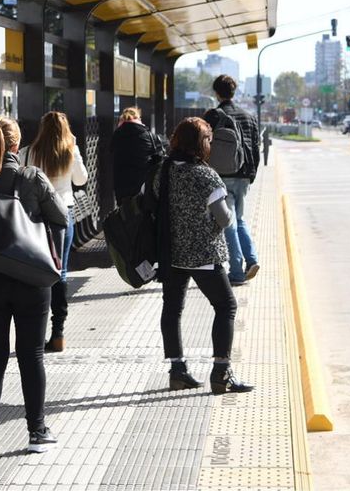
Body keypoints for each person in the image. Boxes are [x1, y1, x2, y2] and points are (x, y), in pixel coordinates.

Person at [0, 117, 68, 455]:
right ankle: (37, 431)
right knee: (31, 354)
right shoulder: (32, 177)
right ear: (16, 146)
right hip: (30, 277)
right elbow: (61, 217)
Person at [152, 117, 253, 395]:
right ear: (201, 143)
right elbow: (223, 218)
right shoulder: (205, 175)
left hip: (171, 252)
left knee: (172, 309)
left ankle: (178, 370)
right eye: (208, 140)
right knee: (226, 306)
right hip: (204, 253)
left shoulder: (165, 170)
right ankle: (221, 372)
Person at [18, 112, 88, 353]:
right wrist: (75, 148)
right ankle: (57, 333)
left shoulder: (28, 152)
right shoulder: (70, 151)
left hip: (34, 217)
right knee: (61, 272)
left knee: (36, 272)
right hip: (63, 216)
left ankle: (34, 333)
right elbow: (81, 180)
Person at [203, 75, 261, 286]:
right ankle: (252, 259)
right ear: (234, 92)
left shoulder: (213, 115)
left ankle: (236, 271)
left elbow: (204, 146)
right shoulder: (248, 116)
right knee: (240, 218)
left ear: (216, 93)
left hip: (220, 176)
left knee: (228, 223)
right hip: (244, 175)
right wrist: (251, 174)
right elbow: (255, 147)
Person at [110, 107, 162, 204]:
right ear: (138, 119)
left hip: (122, 187)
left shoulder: (116, 136)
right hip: (144, 187)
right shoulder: (149, 136)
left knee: (125, 215)